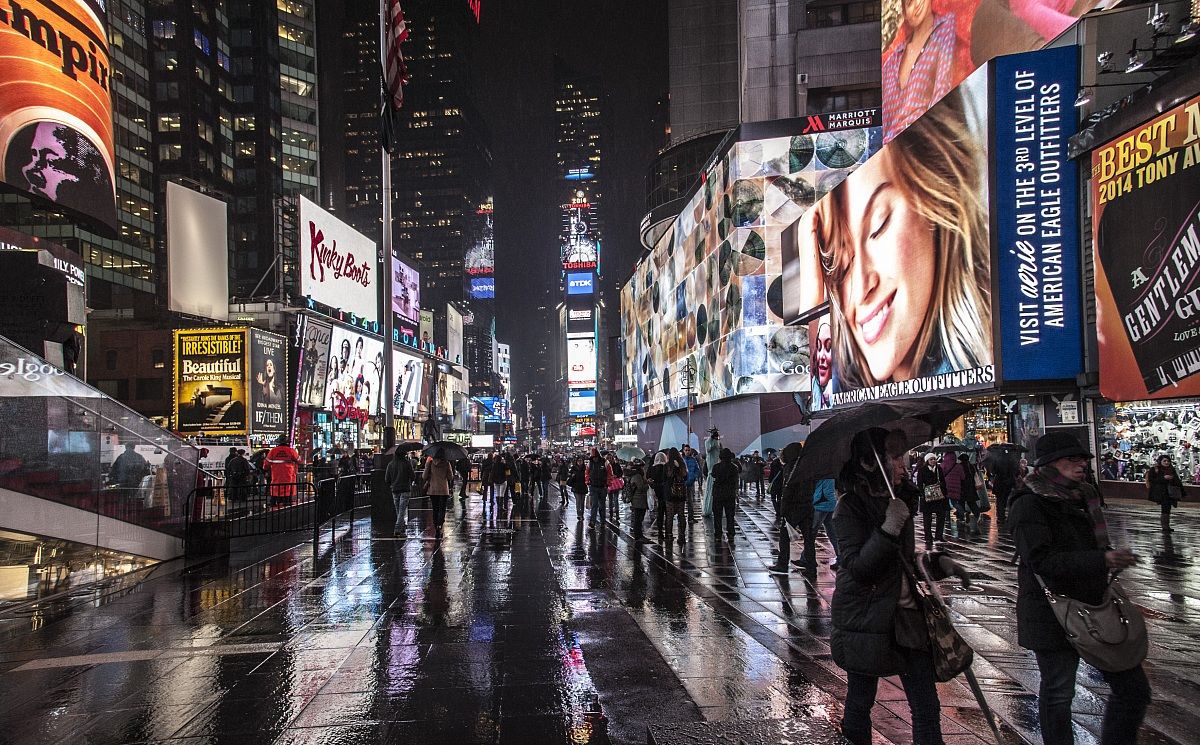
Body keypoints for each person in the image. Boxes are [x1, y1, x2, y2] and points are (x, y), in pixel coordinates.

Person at [817, 87, 990, 389]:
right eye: (840, 265)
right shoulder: (841, 383)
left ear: (936, 189)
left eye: (879, 224)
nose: (861, 286)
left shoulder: (993, 353)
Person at [1007, 432, 1150, 745]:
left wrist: (1108, 559)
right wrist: (1101, 560)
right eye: (1072, 459)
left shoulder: (1085, 496)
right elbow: (1040, 560)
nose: (1082, 464)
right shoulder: (1029, 503)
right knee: (1059, 693)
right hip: (1051, 612)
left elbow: (1093, 544)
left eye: (1083, 458)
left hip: (1094, 606)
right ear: (1050, 463)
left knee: (1133, 689)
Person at [832, 428, 969, 745]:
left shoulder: (901, 499)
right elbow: (860, 568)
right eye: (894, 458)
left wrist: (939, 564)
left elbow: (903, 562)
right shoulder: (850, 507)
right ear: (869, 463)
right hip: (865, 617)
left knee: (926, 706)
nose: (903, 466)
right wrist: (889, 527)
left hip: (907, 619)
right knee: (860, 701)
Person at [881, 0, 957, 142]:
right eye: (909, 3)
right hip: (892, 147)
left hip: (926, 139)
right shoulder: (891, 62)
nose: (917, 5)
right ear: (904, 13)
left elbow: (943, 91)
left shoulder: (945, 27)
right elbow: (882, 123)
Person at [770, 442, 815, 574]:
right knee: (808, 538)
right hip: (807, 505)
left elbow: (788, 489)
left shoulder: (790, 468)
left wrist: (782, 510)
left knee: (784, 537)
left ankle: (782, 564)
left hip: (793, 507)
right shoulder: (808, 467)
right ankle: (811, 566)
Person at [916, 453, 949, 550]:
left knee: (941, 516)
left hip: (939, 496)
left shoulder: (939, 469)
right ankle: (928, 537)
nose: (933, 461)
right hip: (928, 497)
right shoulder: (922, 470)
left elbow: (943, 481)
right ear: (927, 461)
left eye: (934, 459)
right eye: (931, 459)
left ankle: (939, 536)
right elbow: (919, 483)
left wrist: (944, 492)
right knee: (927, 518)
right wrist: (923, 494)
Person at [1146, 454, 1182, 533]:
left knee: (1167, 509)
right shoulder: (1155, 469)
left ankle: (1166, 526)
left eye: (1168, 461)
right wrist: (1164, 478)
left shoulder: (1171, 469)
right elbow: (1151, 480)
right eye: (1164, 461)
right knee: (1165, 508)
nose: (1166, 462)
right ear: (1160, 461)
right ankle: (1165, 527)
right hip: (1161, 493)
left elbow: (1178, 481)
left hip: (1170, 493)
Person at [809, 477, 839, 569]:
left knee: (811, 532)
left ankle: (806, 558)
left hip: (821, 503)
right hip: (830, 502)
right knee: (832, 533)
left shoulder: (821, 472)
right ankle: (841, 557)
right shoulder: (830, 472)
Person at [710, 448, 741, 542]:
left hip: (718, 494)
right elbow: (736, 478)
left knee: (717, 515)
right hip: (730, 494)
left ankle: (718, 534)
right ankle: (731, 533)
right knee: (730, 515)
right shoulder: (734, 467)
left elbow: (713, 475)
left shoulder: (716, 467)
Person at [422, 454, 454, 540]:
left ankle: (436, 526)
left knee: (435, 509)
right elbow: (450, 477)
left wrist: (427, 467)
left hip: (433, 490)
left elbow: (424, 476)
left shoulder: (430, 463)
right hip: (443, 490)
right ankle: (440, 525)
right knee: (442, 509)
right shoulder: (447, 463)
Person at [386, 448, 416, 537]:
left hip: (395, 489)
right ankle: (397, 529)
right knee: (402, 510)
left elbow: (387, 479)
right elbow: (413, 476)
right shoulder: (407, 463)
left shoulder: (390, 464)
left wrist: (392, 483)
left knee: (398, 510)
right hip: (405, 489)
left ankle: (401, 527)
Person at [266, 435, 301, 508]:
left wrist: (266, 469)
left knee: (275, 488)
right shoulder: (291, 450)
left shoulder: (273, 451)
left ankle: (273, 502)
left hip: (276, 474)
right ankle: (286, 503)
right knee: (287, 488)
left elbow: (266, 464)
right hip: (288, 474)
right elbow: (299, 460)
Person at [664, 449, 690, 545]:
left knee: (669, 516)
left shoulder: (667, 466)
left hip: (670, 494)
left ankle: (669, 535)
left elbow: (664, 479)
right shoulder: (682, 465)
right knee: (681, 515)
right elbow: (686, 477)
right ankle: (682, 536)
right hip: (681, 494)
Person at [625, 460, 651, 543]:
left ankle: (639, 535)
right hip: (638, 499)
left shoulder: (637, 475)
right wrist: (647, 484)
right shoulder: (637, 476)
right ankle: (638, 536)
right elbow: (641, 487)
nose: (643, 468)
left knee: (638, 518)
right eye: (642, 467)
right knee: (638, 519)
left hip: (638, 499)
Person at [585, 448, 611, 530]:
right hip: (593, 487)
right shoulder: (590, 463)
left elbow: (610, 473)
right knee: (594, 505)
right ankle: (593, 522)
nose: (594, 459)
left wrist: (607, 484)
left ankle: (602, 522)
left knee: (601, 505)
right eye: (593, 457)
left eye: (595, 457)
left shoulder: (605, 462)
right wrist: (588, 481)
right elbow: (587, 473)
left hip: (602, 487)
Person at [703, 429, 720, 517]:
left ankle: (709, 508)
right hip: (711, 469)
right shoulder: (709, 442)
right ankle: (708, 509)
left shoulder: (716, 442)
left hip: (714, 468)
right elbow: (709, 449)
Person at [567, 455, 589, 521]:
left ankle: (582, 514)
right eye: (578, 461)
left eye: (581, 460)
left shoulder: (585, 468)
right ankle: (579, 515)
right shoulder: (573, 468)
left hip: (583, 487)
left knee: (582, 502)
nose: (580, 462)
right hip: (576, 487)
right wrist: (572, 476)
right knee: (578, 501)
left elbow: (588, 476)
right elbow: (569, 476)